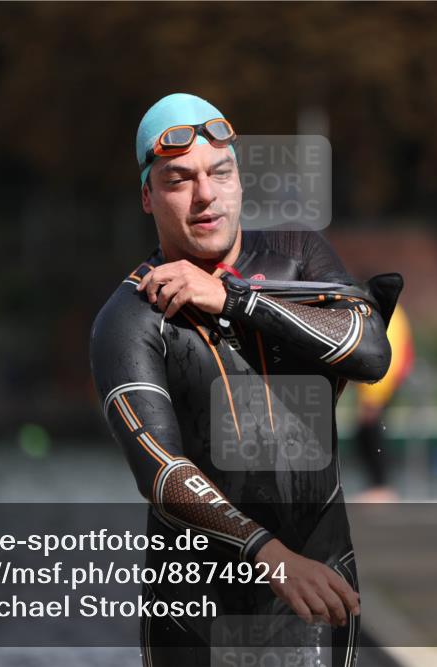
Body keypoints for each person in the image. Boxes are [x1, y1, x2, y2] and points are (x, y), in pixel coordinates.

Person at [90, 93, 400, 666]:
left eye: (220, 173)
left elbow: (370, 350)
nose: (205, 195)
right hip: (196, 609)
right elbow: (162, 474)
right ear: (146, 196)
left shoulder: (297, 254)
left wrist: (236, 299)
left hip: (319, 589)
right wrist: (273, 556)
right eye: (179, 179)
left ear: (239, 182)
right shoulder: (130, 318)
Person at [352, 303, 414, 503]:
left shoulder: (386, 312)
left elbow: (388, 354)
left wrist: (374, 398)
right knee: (365, 433)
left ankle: (381, 487)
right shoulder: (387, 311)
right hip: (377, 386)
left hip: (382, 385)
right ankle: (378, 486)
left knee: (372, 432)